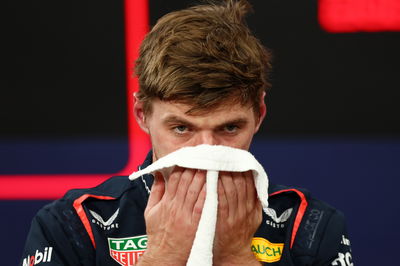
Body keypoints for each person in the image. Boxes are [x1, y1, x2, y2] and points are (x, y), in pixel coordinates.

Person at [20, 0, 353, 265]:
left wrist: (236, 255)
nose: (205, 149)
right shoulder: (72, 226)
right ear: (142, 114)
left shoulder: (309, 227)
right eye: (181, 128)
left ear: (260, 114)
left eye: (230, 128)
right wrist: (163, 255)